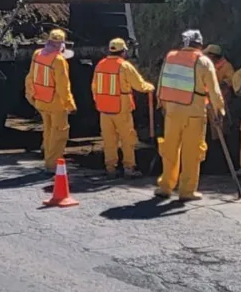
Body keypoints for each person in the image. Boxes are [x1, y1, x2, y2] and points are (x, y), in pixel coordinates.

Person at [155, 29, 225, 201]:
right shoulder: (203, 61)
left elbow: (162, 83)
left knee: (170, 150)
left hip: (171, 112)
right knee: (191, 153)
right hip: (194, 113)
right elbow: (214, 90)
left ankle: (165, 187)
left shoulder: (170, 57)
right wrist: (219, 110)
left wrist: (161, 103)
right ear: (200, 45)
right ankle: (187, 191)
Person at [91, 37, 155, 178]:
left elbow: (94, 87)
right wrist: (150, 87)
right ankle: (129, 167)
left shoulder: (100, 65)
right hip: (121, 109)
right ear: (123, 51)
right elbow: (139, 85)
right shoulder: (124, 66)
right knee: (127, 139)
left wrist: (99, 102)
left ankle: (111, 168)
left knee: (109, 140)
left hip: (104, 109)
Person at [26, 29, 76, 170]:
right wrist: (70, 104)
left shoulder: (38, 54)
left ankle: (48, 158)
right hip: (56, 103)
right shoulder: (59, 60)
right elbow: (63, 86)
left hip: (41, 101)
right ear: (62, 44)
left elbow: (30, 78)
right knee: (59, 133)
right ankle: (52, 165)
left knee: (48, 132)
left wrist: (31, 96)